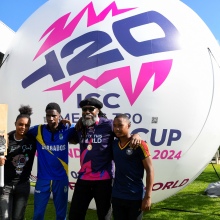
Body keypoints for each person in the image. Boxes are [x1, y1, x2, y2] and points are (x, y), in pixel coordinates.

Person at [68, 97, 142, 220]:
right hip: (83, 178)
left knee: (104, 216)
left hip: (104, 180)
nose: (87, 112)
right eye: (84, 109)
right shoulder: (81, 126)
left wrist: (136, 134)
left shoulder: (108, 124)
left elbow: (123, 134)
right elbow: (72, 139)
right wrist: (66, 125)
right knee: (75, 215)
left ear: (98, 110)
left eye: (91, 109)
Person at [28, 102, 75, 220]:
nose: (50, 118)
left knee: (61, 214)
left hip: (61, 178)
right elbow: (20, 133)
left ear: (59, 115)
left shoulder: (67, 129)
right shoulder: (38, 130)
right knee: (38, 214)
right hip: (43, 179)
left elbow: (83, 131)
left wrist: (72, 124)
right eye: (48, 116)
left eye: (54, 116)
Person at [111, 114, 154, 220]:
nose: (117, 128)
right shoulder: (114, 144)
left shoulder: (139, 144)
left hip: (135, 196)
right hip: (117, 195)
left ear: (128, 125)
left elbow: (150, 170)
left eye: (120, 125)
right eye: (115, 125)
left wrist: (148, 197)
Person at [0, 105, 36, 220]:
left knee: (18, 217)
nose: (23, 127)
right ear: (15, 123)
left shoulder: (32, 139)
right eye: (20, 124)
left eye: (26, 125)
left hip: (23, 186)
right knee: (4, 217)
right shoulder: (6, 138)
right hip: (6, 185)